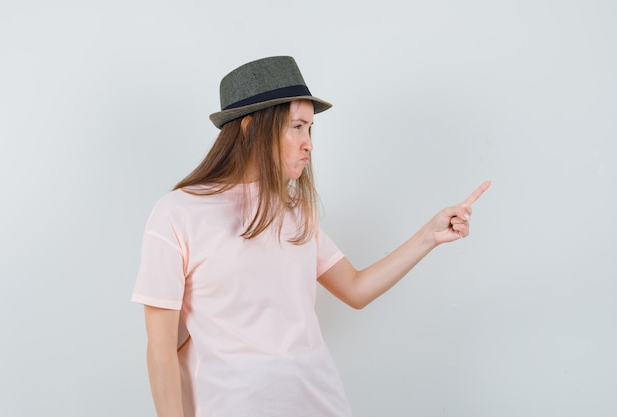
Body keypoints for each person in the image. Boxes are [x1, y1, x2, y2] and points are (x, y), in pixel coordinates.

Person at [132, 56, 490, 417]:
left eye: (310, 129)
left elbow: (355, 288)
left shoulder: (295, 209)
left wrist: (428, 235)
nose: (309, 144)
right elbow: (160, 349)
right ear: (247, 128)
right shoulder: (178, 213)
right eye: (297, 126)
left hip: (320, 403)